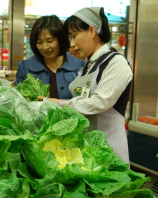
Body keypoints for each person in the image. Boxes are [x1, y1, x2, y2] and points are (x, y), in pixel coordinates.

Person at [39, 7, 133, 163]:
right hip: (87, 150)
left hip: (109, 150)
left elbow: (99, 103)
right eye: (70, 38)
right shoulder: (87, 66)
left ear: (91, 31)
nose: (72, 44)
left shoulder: (115, 62)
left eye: (75, 36)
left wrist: (58, 104)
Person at [15, 15, 86, 99]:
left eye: (49, 41)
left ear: (60, 39)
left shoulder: (80, 66)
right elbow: (18, 100)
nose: (45, 47)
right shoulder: (25, 67)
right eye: (40, 42)